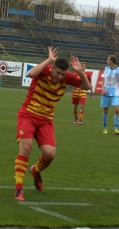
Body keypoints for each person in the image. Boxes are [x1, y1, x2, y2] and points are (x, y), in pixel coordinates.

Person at [14, 46, 92, 201]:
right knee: (26, 147)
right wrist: (49, 60)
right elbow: (31, 74)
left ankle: (35, 171)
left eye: (63, 74)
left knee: (49, 154)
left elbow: (87, 87)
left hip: (45, 121)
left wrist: (79, 71)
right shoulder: (44, 71)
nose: (60, 77)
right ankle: (19, 188)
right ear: (52, 69)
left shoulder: (67, 77)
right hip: (28, 115)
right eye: (58, 73)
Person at [100, 55, 119, 135]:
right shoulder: (106, 69)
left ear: (112, 61)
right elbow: (103, 80)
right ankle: (105, 127)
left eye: (108, 60)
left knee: (116, 109)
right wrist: (103, 89)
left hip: (115, 92)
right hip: (106, 92)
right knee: (105, 110)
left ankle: (116, 129)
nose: (107, 61)